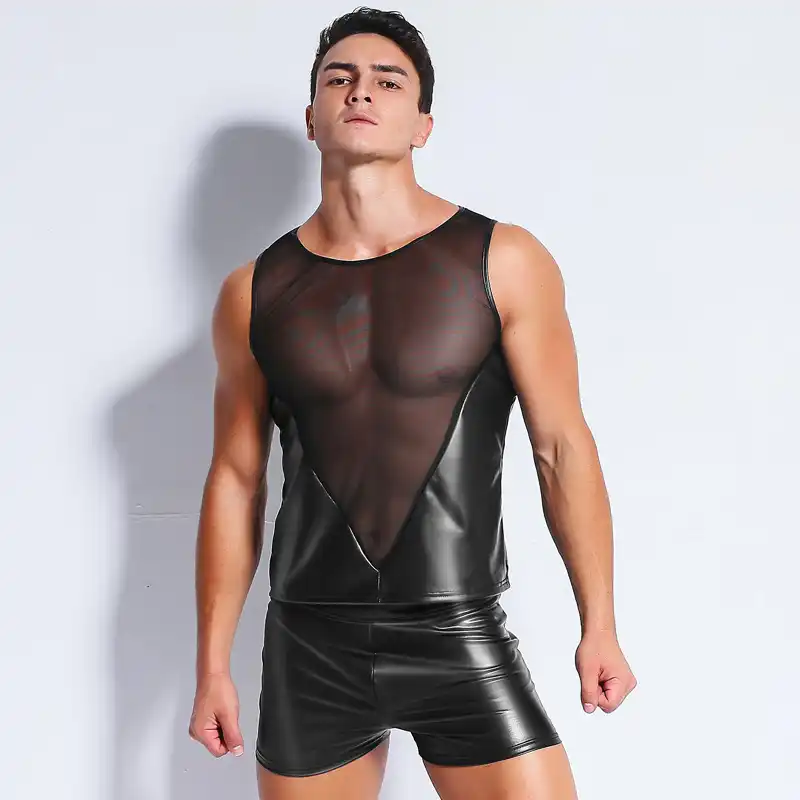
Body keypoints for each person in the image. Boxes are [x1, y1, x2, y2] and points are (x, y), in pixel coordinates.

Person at [188, 7, 637, 799]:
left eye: (387, 81)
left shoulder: (503, 259)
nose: (360, 91)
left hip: (458, 628)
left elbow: (561, 446)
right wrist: (211, 665)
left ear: (423, 125)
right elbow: (235, 479)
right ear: (312, 117)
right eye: (339, 78)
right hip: (309, 643)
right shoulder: (252, 292)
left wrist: (598, 623)